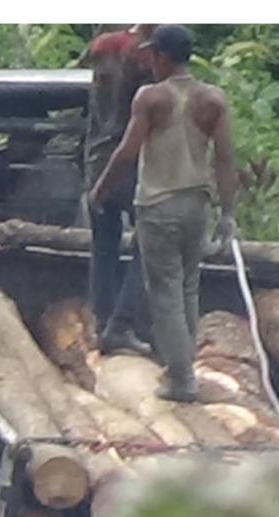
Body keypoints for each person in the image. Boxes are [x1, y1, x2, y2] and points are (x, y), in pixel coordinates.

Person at [89, 25, 238, 402]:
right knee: (188, 287)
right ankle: (183, 365)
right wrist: (227, 213)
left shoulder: (152, 97)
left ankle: (181, 378)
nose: (150, 61)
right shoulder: (213, 99)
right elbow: (225, 158)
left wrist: (101, 187)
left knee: (166, 291)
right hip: (196, 203)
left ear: (162, 57)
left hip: (160, 204)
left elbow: (126, 150)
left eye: (153, 55)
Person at [82, 23, 157, 356]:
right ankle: (120, 324)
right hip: (132, 160)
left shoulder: (103, 47)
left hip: (97, 156)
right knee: (150, 245)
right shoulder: (143, 56)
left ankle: (102, 321)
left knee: (104, 244)